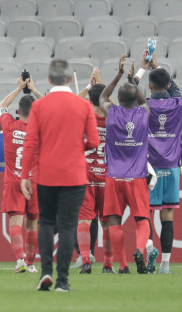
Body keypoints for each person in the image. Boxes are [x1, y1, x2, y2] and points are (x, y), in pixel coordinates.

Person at [19, 59, 100, 292]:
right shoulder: (83, 106)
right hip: (74, 175)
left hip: (46, 174)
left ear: (49, 79)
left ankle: (45, 272)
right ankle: (62, 281)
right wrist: (76, 148)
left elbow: (31, 143)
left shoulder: (39, 106)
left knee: (45, 221)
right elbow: (93, 141)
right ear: (69, 79)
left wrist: (25, 174)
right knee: (67, 226)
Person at [99, 55, 151, 275]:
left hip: (114, 176)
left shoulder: (111, 113)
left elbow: (102, 95)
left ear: (118, 99)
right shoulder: (144, 114)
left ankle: (122, 266)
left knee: (113, 220)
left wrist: (119, 74)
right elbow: (144, 101)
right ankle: (139, 249)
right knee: (142, 218)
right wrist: (133, 79)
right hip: (137, 176)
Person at [137, 52, 182, 274]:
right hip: (172, 165)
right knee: (168, 215)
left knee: (146, 214)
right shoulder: (178, 104)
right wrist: (158, 67)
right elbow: (175, 90)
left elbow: (127, 94)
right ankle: (165, 265)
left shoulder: (144, 106)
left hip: (149, 167)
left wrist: (141, 69)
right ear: (167, 84)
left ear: (150, 86)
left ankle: (149, 251)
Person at [0, 78, 40, 274]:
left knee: (16, 222)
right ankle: (30, 263)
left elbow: (2, 105)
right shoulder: (41, 128)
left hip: (14, 181)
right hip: (35, 182)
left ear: (19, 111)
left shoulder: (8, 125)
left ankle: (20, 260)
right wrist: (33, 89)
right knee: (32, 223)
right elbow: (49, 107)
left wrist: (19, 88)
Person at [77, 71, 111, 274]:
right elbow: (121, 105)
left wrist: (89, 88)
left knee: (83, 221)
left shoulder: (82, 118)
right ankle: (107, 264)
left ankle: (85, 260)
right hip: (107, 177)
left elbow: (70, 103)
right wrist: (105, 90)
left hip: (85, 176)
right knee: (107, 223)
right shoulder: (113, 118)